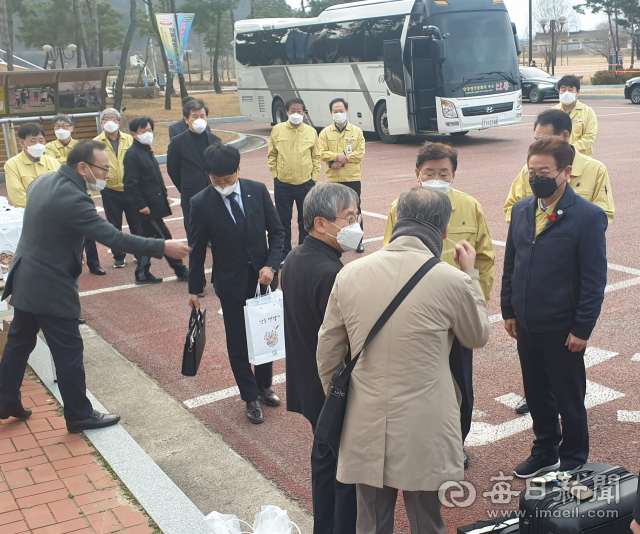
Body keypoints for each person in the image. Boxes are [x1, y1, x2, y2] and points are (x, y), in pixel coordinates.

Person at [317, 187, 489, 534]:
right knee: (427, 520)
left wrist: (344, 399)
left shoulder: (350, 274)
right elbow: (476, 336)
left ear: (396, 222)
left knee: (371, 522)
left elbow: (328, 352)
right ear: (442, 231)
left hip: (365, 419)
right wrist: (470, 274)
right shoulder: (452, 280)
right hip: (425, 423)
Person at [0, 141, 190, 432]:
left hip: (26, 275)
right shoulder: (73, 198)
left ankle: (5, 400)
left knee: (19, 343)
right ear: (82, 167)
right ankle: (79, 414)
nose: (106, 175)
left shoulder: (44, 181)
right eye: (103, 169)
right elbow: (113, 238)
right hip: (50, 285)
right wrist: (163, 246)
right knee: (68, 350)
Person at [382, 142, 494, 468]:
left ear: (454, 175)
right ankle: (419, 443)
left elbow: (484, 261)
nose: (436, 178)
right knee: (418, 384)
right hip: (417, 319)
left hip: (457, 317)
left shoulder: (470, 206)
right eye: (429, 173)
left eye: (443, 173)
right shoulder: (399, 207)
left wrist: (476, 306)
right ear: (416, 173)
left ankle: (456, 443)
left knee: (460, 385)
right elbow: (392, 259)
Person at [502, 137, 608, 478]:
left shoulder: (587, 217)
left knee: (569, 397)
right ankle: (545, 450)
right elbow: (511, 263)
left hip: (563, 327)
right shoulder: (521, 209)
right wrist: (509, 310)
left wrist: (582, 328)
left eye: (544, 171)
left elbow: (594, 279)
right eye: (531, 171)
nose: (536, 177)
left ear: (566, 171)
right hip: (527, 323)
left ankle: (574, 459)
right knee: (535, 393)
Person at [282, 183, 360, 534]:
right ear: (320, 223)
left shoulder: (296, 258)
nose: (356, 226)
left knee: (324, 462)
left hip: (309, 383)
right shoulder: (331, 273)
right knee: (343, 472)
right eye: (349, 218)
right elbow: (342, 342)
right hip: (332, 388)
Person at [188, 143, 284, 424]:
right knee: (238, 342)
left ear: (238, 169)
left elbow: (277, 233)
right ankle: (250, 396)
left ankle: (264, 385)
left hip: (263, 279)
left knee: (266, 334)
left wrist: (271, 264)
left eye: (227, 179)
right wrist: (195, 288)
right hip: (229, 283)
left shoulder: (257, 190)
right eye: (216, 180)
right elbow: (196, 248)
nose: (222, 185)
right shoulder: (201, 202)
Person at [504, 109, 613, 225]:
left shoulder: (595, 170)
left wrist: (563, 230)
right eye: (536, 140)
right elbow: (511, 208)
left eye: (546, 141)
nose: (539, 146)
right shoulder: (529, 170)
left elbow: (604, 214)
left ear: (565, 136)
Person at [124, 116, 189, 285]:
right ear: (134, 134)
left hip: (154, 204)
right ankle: (180, 269)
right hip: (146, 208)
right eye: (143, 130)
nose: (148, 133)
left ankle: (143, 273)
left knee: (148, 240)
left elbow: (156, 177)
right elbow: (130, 184)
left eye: (149, 130)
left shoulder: (146, 151)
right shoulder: (133, 154)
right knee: (163, 237)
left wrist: (165, 194)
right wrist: (141, 205)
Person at [46, 114, 105, 276]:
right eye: (57, 126)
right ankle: (71, 266)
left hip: (82, 193)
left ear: (72, 128)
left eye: (65, 125)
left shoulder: (81, 146)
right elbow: (55, 167)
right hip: (62, 196)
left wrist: (66, 162)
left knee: (90, 233)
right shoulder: (49, 147)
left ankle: (94, 265)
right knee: (67, 234)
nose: (61, 129)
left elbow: (85, 168)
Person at [268, 98, 321, 268]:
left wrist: (313, 177)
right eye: (292, 111)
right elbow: (272, 155)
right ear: (286, 112)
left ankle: (303, 253)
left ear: (304, 113)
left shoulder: (311, 132)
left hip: (305, 183)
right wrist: (275, 175)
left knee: (305, 220)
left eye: (299, 111)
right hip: (282, 183)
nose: (296, 114)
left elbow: (316, 157)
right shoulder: (277, 130)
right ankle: (284, 254)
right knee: (283, 220)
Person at [167, 98, 221, 245]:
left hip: (214, 191)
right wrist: (184, 186)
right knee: (194, 235)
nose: (199, 119)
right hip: (190, 193)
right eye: (194, 117)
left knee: (218, 232)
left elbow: (221, 166)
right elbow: (172, 169)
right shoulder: (177, 142)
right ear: (186, 119)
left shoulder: (215, 140)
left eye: (202, 116)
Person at [94, 108, 141, 269]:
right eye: (106, 119)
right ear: (101, 123)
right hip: (110, 190)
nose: (109, 122)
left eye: (113, 119)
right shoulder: (96, 143)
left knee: (136, 223)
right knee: (114, 225)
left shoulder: (130, 139)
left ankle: (139, 252)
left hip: (131, 189)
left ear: (119, 123)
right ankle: (118, 256)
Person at [318, 98, 366, 254]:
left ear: (347, 111)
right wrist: (335, 157)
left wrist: (343, 159)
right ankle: (334, 241)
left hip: (352, 178)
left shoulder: (356, 131)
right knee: (333, 211)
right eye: (335, 111)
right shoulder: (325, 132)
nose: (339, 114)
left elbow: (360, 153)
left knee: (355, 210)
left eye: (341, 111)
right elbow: (321, 153)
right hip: (334, 179)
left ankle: (358, 242)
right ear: (331, 113)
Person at [5, 123, 60, 208]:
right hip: (30, 213)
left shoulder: (53, 162)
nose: (38, 144)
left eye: (41, 141)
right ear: (22, 143)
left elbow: (62, 189)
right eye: (33, 141)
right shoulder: (12, 165)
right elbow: (17, 197)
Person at [552, 75, 598, 157]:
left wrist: (570, 148)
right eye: (563, 89)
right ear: (559, 92)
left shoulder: (588, 112)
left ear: (578, 92)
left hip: (582, 157)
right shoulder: (552, 112)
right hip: (558, 157)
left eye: (570, 90)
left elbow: (589, 137)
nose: (566, 93)